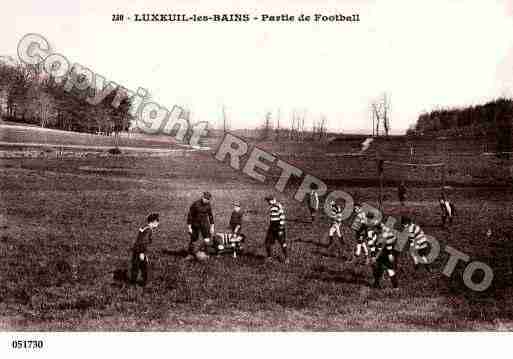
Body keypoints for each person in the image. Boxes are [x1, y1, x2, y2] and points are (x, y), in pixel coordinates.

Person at [130, 213, 160, 286]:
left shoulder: (144, 227)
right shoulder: (148, 230)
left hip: (136, 250)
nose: (158, 224)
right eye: (157, 222)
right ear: (154, 222)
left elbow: (139, 239)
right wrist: (142, 253)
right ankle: (144, 282)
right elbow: (143, 241)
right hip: (140, 251)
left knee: (136, 266)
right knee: (143, 266)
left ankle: (133, 282)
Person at [368, 222, 399, 289]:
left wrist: (390, 254)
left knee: (389, 269)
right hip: (380, 251)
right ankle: (376, 284)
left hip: (387, 251)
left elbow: (389, 244)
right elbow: (371, 245)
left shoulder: (386, 233)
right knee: (377, 268)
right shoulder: (371, 233)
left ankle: (395, 287)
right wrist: (373, 255)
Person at [186, 192, 215, 260]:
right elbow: (190, 215)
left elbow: (210, 216)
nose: (206, 200)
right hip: (195, 224)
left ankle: (206, 254)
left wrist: (212, 226)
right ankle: (190, 254)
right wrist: (189, 227)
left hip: (205, 224)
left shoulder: (208, 205)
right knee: (194, 239)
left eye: (207, 199)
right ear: (202, 197)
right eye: (205, 198)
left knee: (207, 239)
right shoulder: (195, 204)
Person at [264, 195, 289, 263]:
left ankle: (286, 258)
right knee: (267, 242)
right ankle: (269, 257)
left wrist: (281, 228)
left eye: (269, 200)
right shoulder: (272, 207)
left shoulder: (278, 206)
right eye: (268, 201)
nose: (268, 202)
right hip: (272, 227)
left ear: (274, 199)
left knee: (282, 242)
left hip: (279, 227)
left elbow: (282, 217)